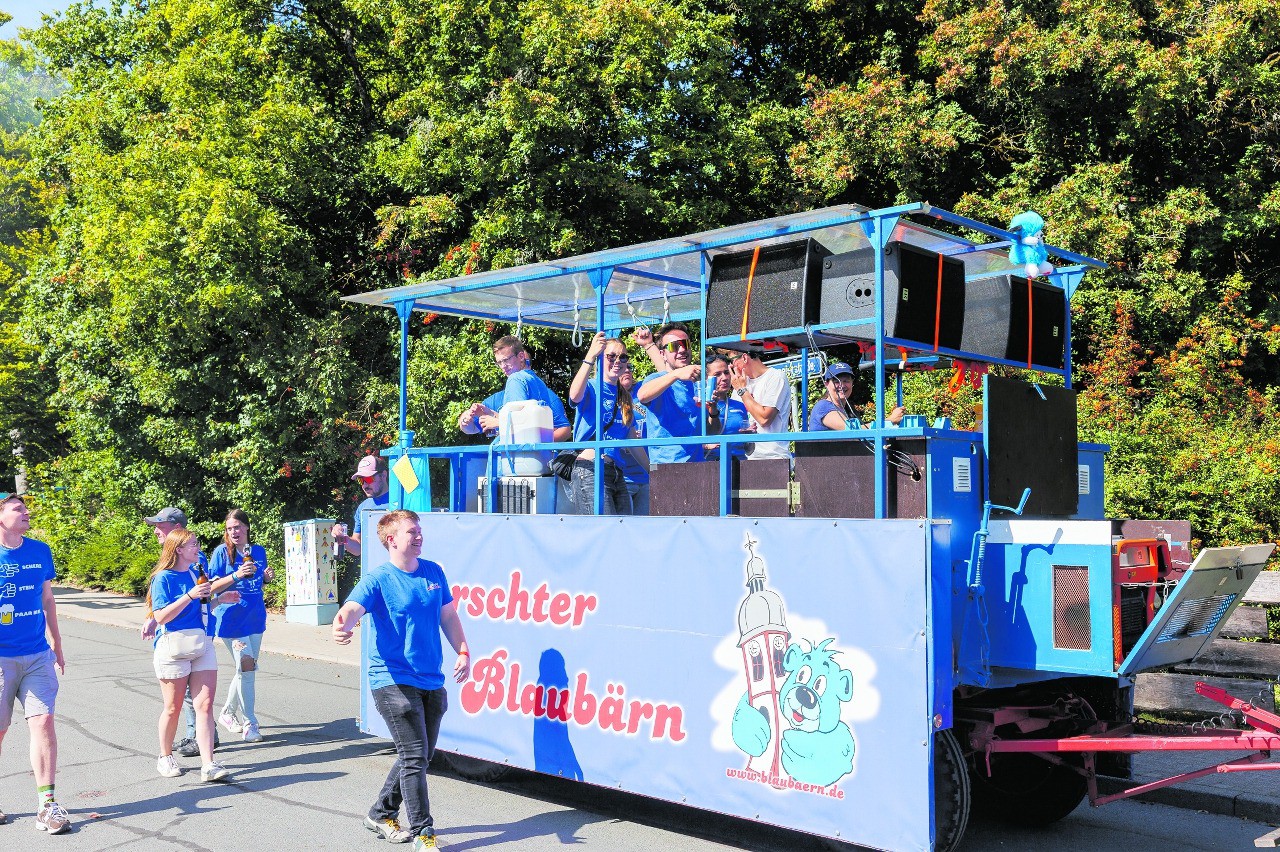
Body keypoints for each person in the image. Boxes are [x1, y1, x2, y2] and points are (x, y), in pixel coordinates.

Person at [332, 510, 470, 851]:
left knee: (419, 756)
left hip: (430, 678)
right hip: (391, 678)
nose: (419, 536)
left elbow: (448, 616)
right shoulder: (378, 579)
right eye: (412, 531)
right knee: (414, 755)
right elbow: (352, 608)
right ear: (391, 539)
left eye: (419, 530)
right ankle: (423, 832)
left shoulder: (433, 572)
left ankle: (380, 813)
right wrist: (342, 623)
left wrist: (463, 651)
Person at [147, 527, 240, 783]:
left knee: (205, 705)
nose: (198, 548)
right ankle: (165, 756)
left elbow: (200, 607)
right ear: (178, 550)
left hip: (201, 642)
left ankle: (208, 764)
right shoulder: (163, 578)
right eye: (193, 545)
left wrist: (220, 599)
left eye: (197, 543)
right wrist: (189, 595)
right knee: (173, 707)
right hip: (173, 646)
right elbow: (161, 616)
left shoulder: (194, 572)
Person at [0, 495, 70, 834]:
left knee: (43, 723)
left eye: (25, 508)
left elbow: (47, 598)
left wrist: (56, 642)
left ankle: (47, 805)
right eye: (18, 509)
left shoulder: (40, 550)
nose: (26, 512)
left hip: (37, 654)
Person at [140, 507, 216, 758]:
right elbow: (164, 608)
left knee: (200, 700)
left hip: (197, 638)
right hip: (174, 641)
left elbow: (201, 600)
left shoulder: (195, 563)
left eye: (160, 525)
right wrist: (153, 617)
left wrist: (219, 597)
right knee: (177, 702)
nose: (156, 530)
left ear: (176, 530)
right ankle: (172, 751)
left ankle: (204, 749)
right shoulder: (164, 574)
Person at [208, 508, 273, 743]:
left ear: (246, 527)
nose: (233, 532)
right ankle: (250, 724)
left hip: (255, 618)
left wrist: (265, 578)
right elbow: (211, 588)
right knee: (246, 669)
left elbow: (257, 584)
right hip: (232, 621)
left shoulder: (258, 551)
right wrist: (236, 575)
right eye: (229, 529)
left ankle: (227, 713)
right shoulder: (221, 553)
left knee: (245, 670)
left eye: (237, 527)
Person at [567, 332, 647, 515]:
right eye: (611, 356)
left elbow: (632, 441)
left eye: (623, 357)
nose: (617, 361)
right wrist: (590, 356)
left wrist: (652, 472)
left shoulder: (625, 397)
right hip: (590, 469)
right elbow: (574, 396)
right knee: (603, 528)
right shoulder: (591, 386)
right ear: (600, 358)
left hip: (616, 470)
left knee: (623, 526)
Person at [457, 335, 572, 442]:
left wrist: (498, 422)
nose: (503, 366)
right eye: (499, 362)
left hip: (521, 454)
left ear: (521, 357)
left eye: (506, 360)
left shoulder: (516, 378)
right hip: (536, 454)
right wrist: (483, 415)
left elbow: (520, 425)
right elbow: (529, 422)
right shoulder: (539, 384)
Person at [633, 323, 706, 465]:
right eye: (674, 346)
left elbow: (711, 429)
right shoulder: (656, 379)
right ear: (662, 354)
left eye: (685, 344)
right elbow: (642, 395)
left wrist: (714, 411)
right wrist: (677, 374)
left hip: (698, 464)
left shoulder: (698, 383)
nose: (682, 349)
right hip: (665, 465)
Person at [727, 349, 794, 460]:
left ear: (744, 358)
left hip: (772, 457)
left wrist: (742, 390)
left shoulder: (775, 377)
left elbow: (764, 419)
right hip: (745, 457)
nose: (731, 366)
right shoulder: (740, 383)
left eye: (732, 361)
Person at [807, 361, 906, 431]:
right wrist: (890, 421)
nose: (842, 385)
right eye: (836, 381)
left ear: (852, 383)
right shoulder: (823, 407)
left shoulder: (848, 409)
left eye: (846, 381)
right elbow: (853, 430)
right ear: (826, 384)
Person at [332, 455, 390, 561]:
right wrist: (342, 538)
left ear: (383, 475)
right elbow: (358, 549)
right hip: (372, 568)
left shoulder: (401, 501)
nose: (364, 485)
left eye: (368, 479)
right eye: (361, 480)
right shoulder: (363, 507)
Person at [616, 362, 650, 515]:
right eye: (622, 367)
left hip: (645, 475)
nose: (627, 370)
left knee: (646, 526)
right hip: (622, 478)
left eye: (629, 367)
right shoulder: (608, 396)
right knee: (624, 525)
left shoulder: (642, 390)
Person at [703, 355, 751, 461]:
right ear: (706, 379)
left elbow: (749, 450)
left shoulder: (739, 405)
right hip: (711, 465)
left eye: (726, 372)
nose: (724, 378)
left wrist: (750, 436)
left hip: (739, 464)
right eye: (717, 374)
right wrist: (705, 446)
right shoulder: (699, 405)